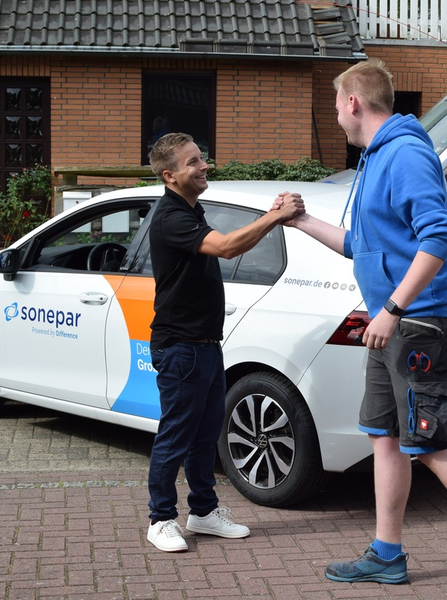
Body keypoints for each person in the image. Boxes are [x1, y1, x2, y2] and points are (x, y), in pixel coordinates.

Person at [274, 59, 447, 599]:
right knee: (385, 439)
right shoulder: (374, 159)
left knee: (433, 445)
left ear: (353, 102)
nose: (335, 114)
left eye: (334, 104)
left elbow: (439, 238)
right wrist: (301, 221)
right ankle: (386, 554)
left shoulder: (406, 154)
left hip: (418, 326)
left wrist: (392, 309)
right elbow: (362, 244)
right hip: (392, 328)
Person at [145, 132, 304, 552]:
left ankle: (203, 513)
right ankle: (161, 519)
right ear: (170, 175)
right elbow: (228, 248)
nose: (203, 166)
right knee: (175, 436)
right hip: (180, 348)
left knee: (204, 435)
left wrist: (271, 216)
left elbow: (234, 242)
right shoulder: (171, 217)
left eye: (201, 158)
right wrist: (276, 217)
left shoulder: (190, 210)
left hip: (204, 346)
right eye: (193, 162)